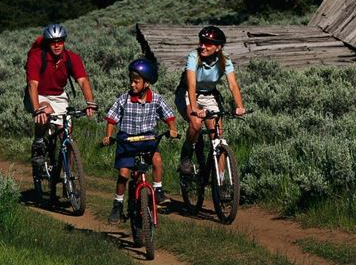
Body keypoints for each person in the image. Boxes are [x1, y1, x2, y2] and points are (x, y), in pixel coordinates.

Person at [102, 58, 178, 224]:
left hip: (147, 138)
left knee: (157, 159)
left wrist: (172, 129)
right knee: (123, 174)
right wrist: (108, 136)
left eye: (136, 82)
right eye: (131, 81)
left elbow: (168, 115)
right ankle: (118, 204)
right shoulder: (124, 99)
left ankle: (158, 190)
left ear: (147, 83)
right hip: (127, 140)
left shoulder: (156, 99)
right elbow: (112, 119)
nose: (132, 85)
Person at [27, 23, 97, 175]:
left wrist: (90, 103)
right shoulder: (37, 57)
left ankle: (68, 174)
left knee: (66, 132)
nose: (57, 45)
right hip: (39, 94)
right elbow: (32, 85)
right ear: (47, 43)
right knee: (45, 112)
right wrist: (37, 109)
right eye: (53, 42)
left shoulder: (71, 58)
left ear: (64, 41)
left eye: (60, 41)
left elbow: (83, 81)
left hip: (59, 95)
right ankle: (38, 143)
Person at [175, 25, 245, 174]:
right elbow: (191, 83)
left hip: (209, 94)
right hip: (188, 93)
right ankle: (186, 155)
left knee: (217, 137)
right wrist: (194, 108)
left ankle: (221, 183)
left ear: (218, 47)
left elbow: (233, 84)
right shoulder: (194, 56)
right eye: (201, 42)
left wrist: (239, 106)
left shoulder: (225, 60)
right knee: (195, 123)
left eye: (207, 43)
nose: (202, 46)